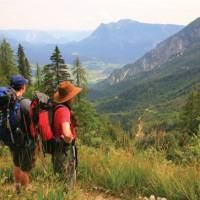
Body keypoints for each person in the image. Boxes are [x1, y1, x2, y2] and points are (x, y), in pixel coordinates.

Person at [9, 75, 36, 191]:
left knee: (17, 163)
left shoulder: (8, 101)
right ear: (23, 87)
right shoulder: (26, 103)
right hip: (25, 141)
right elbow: (34, 121)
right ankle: (25, 191)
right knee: (26, 167)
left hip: (12, 139)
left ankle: (18, 186)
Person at [51, 81, 82, 177]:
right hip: (64, 151)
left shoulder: (58, 109)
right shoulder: (64, 111)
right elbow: (67, 134)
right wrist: (70, 142)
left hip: (58, 150)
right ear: (70, 97)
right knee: (66, 181)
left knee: (60, 179)